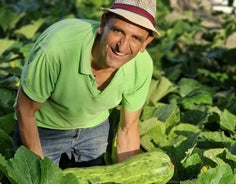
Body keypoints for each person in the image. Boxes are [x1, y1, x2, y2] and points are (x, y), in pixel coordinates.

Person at [13, 0, 160, 167]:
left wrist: (133, 176)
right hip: (45, 128)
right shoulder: (57, 48)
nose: (123, 46)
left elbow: (128, 129)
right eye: (118, 31)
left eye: (136, 38)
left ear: (146, 42)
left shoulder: (142, 66)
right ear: (103, 23)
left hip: (94, 128)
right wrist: (39, 172)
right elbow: (25, 110)